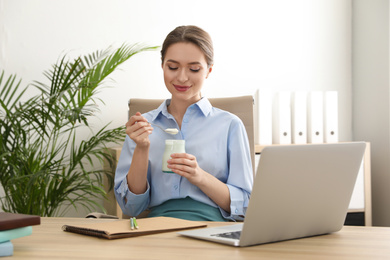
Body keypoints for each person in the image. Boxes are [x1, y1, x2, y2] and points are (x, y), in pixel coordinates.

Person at [114, 25, 253, 221]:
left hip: (213, 230)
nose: (181, 77)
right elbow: (131, 208)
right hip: (156, 231)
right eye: (172, 67)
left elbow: (246, 206)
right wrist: (142, 149)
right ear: (162, 66)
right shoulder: (143, 127)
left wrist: (199, 177)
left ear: (208, 71)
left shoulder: (230, 125)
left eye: (194, 69)